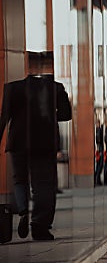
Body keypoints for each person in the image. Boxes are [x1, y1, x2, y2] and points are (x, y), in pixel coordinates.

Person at [0, 51, 72, 240]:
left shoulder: (13, 88)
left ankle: (23, 210)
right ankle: (39, 226)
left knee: (19, 180)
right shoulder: (56, 88)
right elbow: (66, 115)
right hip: (43, 142)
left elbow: (3, 119)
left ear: (28, 66)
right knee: (43, 185)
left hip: (18, 141)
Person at [94, 119, 104, 186]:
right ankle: (97, 179)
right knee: (99, 165)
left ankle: (97, 179)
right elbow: (99, 141)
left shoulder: (98, 130)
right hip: (99, 149)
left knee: (99, 165)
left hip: (99, 149)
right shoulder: (98, 130)